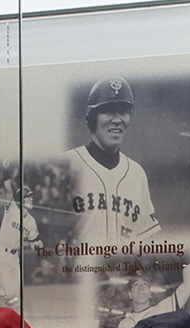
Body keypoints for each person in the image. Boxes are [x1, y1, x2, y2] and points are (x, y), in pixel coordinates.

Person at [64, 76, 160, 248]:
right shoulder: (68, 165)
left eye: (123, 112)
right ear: (93, 118)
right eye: (108, 111)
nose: (117, 120)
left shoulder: (136, 173)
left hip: (125, 273)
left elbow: (148, 241)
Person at [0, 183, 40, 305]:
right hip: (3, 253)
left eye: (31, 196)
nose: (31, 199)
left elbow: (32, 241)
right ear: (20, 200)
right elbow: (8, 189)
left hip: (15, 258)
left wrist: (36, 245)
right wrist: (6, 170)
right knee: (9, 294)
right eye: (27, 197)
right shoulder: (11, 208)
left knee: (14, 296)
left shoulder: (31, 222)